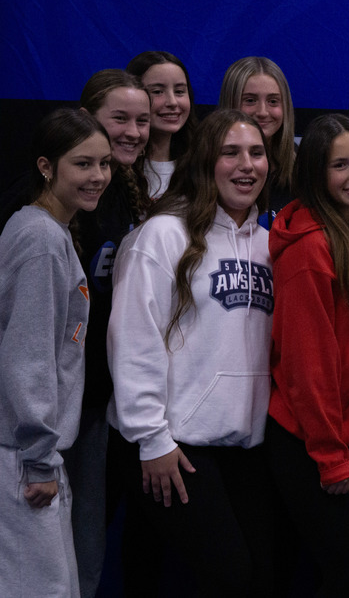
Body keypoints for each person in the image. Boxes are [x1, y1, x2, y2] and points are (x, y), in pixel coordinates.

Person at [107, 109, 274, 597]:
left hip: (248, 445)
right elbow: (133, 340)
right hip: (175, 444)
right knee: (229, 575)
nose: (247, 165)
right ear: (204, 161)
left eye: (256, 153)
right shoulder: (164, 234)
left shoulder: (270, 245)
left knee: (264, 575)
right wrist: (152, 439)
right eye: (230, 153)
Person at [266, 114, 349, 596]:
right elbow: (308, 367)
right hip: (314, 446)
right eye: (340, 165)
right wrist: (331, 458)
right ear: (315, 174)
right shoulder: (308, 251)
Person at [0, 109, 111, 598]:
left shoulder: (49, 230)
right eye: (83, 164)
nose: (98, 176)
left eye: (104, 163)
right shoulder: (41, 239)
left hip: (29, 453)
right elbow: (29, 358)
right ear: (46, 167)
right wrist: (40, 460)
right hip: (22, 457)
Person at [65, 69, 151, 598]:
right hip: (49, 412)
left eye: (142, 121)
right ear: (85, 119)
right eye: (120, 118)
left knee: (85, 551)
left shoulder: (124, 193)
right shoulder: (39, 211)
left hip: (98, 405)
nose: (134, 132)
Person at [219, 56, 296, 225]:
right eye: (250, 100)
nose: (262, 112)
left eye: (273, 101)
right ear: (230, 103)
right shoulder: (207, 167)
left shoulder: (301, 168)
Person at [127, 50, 199, 199]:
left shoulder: (202, 163)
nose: (172, 102)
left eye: (179, 91)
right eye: (158, 91)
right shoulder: (116, 168)